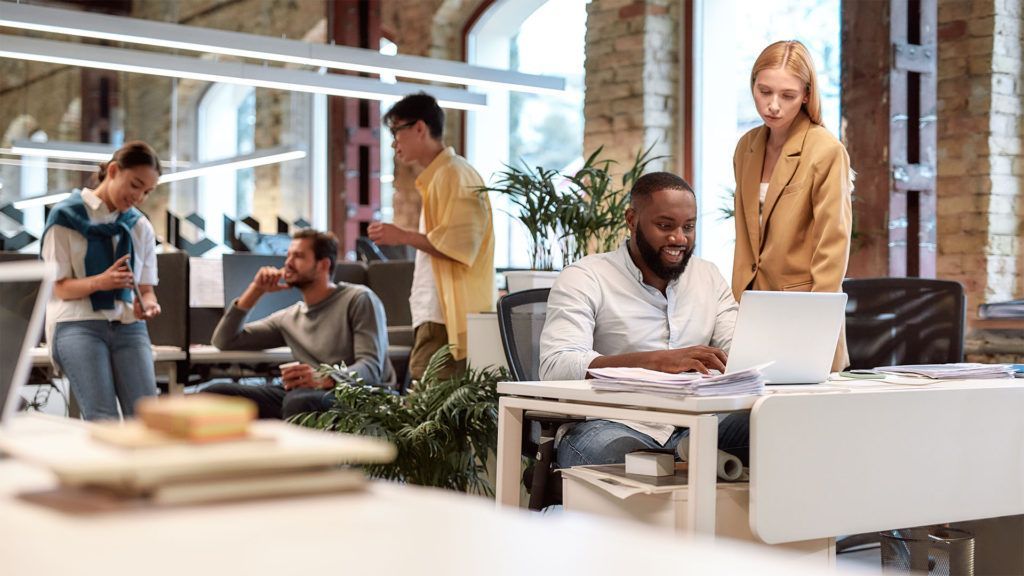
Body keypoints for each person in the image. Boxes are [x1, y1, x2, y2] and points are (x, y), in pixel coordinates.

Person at [540, 172, 748, 468]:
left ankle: (683, 458)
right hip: (615, 423)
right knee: (610, 453)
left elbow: (738, 351)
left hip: (699, 420)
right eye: (665, 226)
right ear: (632, 220)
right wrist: (655, 362)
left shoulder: (707, 276)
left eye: (688, 227)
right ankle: (687, 459)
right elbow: (556, 365)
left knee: (772, 427)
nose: (679, 238)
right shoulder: (586, 276)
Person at [732, 40, 854, 371]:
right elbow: (745, 237)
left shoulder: (825, 150)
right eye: (764, 91)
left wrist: (818, 327)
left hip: (805, 310)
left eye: (787, 95)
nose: (772, 105)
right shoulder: (747, 148)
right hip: (754, 310)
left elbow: (833, 246)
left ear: (806, 94)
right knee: (750, 418)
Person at [368, 92, 495, 382]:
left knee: (427, 415)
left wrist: (403, 236)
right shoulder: (442, 176)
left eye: (396, 132)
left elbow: (461, 246)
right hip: (438, 315)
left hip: (446, 318)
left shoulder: (454, 174)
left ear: (419, 128)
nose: (393, 143)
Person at [205, 229, 394, 420]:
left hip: (355, 396)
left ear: (323, 265)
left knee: (299, 401)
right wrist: (256, 290)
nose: (287, 263)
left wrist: (325, 377)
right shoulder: (290, 317)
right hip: (304, 395)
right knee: (215, 394)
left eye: (298, 256)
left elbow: (370, 369)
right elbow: (224, 340)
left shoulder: (358, 299)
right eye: (288, 255)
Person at [41, 141, 163, 421]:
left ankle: (144, 467)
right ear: (113, 170)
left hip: (129, 325)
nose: (139, 197)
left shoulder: (139, 225)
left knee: (146, 418)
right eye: (135, 185)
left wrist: (149, 305)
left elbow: (146, 289)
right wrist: (100, 282)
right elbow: (57, 287)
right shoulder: (65, 217)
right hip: (78, 323)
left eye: (147, 191)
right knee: (103, 418)